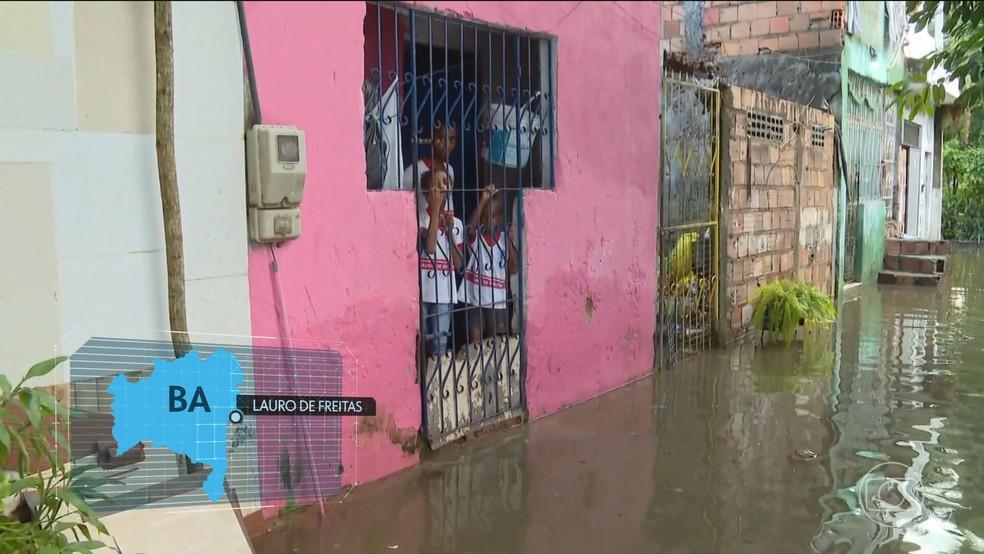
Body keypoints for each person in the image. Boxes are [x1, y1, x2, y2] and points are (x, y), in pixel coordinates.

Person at [459, 184, 518, 344]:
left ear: (500, 216)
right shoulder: (476, 237)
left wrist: (511, 242)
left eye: (492, 215)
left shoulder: (505, 240)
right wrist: (483, 200)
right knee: (475, 342)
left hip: (497, 300)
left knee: (495, 342)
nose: (488, 220)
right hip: (475, 298)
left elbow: (513, 268)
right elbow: (469, 229)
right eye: (484, 216)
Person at [419, 168, 463, 358]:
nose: (440, 187)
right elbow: (429, 248)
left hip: (445, 293)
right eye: (434, 184)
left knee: (440, 340)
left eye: (444, 182)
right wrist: (436, 211)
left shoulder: (457, 223)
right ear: (425, 191)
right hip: (423, 290)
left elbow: (459, 264)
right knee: (421, 340)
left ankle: (438, 381)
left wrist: (451, 231)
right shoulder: (420, 218)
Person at [403, 122, 458, 218]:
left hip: (446, 228)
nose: (447, 144)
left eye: (452, 139)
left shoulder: (450, 170)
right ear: (432, 140)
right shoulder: (415, 170)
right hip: (424, 227)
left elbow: (449, 203)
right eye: (442, 139)